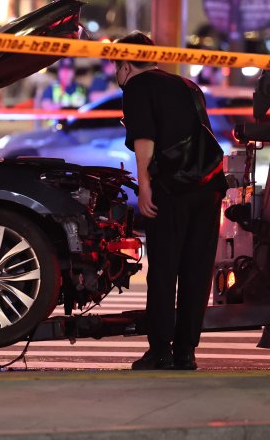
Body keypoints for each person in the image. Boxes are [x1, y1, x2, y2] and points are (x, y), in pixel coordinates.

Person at [115, 31, 227, 371]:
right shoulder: (187, 86)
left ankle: (161, 349)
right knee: (196, 269)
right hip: (207, 188)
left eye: (115, 66)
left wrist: (145, 184)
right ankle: (186, 352)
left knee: (164, 271)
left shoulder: (137, 88)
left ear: (124, 64)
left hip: (171, 191)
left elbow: (144, 139)